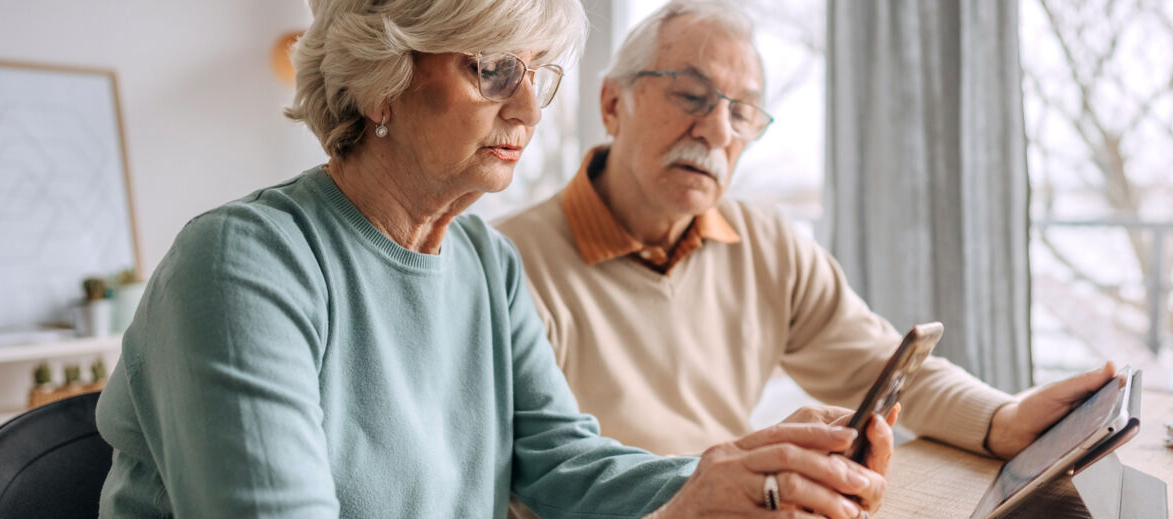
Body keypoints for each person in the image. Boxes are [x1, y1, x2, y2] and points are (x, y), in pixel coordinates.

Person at [94, 0, 893, 517]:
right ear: (382, 79)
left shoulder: (482, 256)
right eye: (491, 69)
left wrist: (729, 475)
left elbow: (560, 458)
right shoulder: (243, 264)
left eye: (539, 75)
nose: (529, 108)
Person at [495, 0, 1117, 464]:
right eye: (690, 95)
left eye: (741, 112)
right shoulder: (509, 264)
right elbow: (543, 471)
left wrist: (1002, 417)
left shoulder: (769, 246)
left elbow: (884, 366)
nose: (716, 130)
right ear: (611, 104)